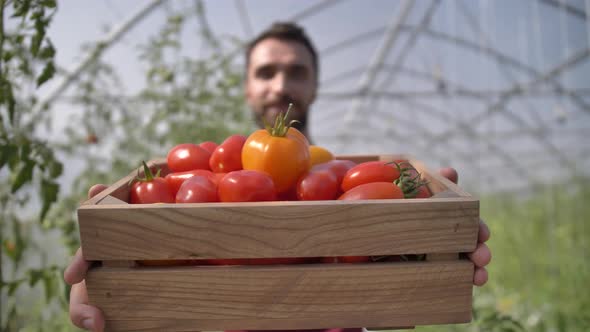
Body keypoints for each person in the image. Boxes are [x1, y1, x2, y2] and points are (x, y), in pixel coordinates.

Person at [64, 22, 492, 332]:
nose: (281, 85)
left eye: (297, 72)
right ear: (248, 87)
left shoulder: (336, 172)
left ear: (316, 87)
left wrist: (421, 253)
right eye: (266, 72)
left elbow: (380, 308)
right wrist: (121, 264)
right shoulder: (215, 168)